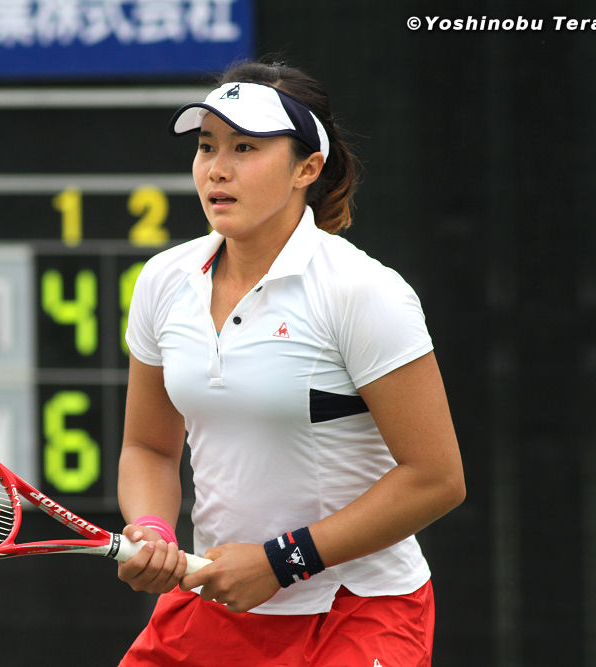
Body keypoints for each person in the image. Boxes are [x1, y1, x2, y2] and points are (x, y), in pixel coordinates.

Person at [115, 59, 465, 666]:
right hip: (214, 600)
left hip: (358, 611)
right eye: (207, 146)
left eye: (245, 148)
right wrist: (153, 529)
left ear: (308, 168)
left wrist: (283, 561)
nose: (217, 169)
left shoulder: (363, 291)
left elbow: (436, 478)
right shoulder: (162, 281)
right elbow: (148, 447)